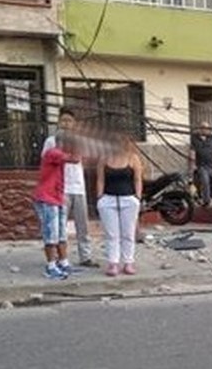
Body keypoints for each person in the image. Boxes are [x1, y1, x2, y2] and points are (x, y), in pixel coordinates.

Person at [41, 108, 99, 268]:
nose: (66, 124)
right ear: (59, 122)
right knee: (60, 226)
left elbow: (83, 161)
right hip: (60, 189)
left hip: (79, 188)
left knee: (83, 225)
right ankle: (61, 258)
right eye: (63, 120)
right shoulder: (51, 141)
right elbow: (46, 160)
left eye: (69, 121)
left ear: (74, 124)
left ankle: (85, 257)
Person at [33, 133, 80, 280]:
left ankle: (63, 262)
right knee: (51, 234)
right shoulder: (52, 153)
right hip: (47, 198)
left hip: (57, 198)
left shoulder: (58, 154)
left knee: (61, 234)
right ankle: (51, 266)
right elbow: (75, 159)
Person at [96, 134, 143, 277]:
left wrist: (138, 197)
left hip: (128, 199)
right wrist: (100, 197)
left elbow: (137, 179)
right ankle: (113, 262)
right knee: (111, 234)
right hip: (108, 200)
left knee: (128, 233)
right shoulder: (104, 159)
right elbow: (100, 180)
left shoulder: (133, 158)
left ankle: (128, 262)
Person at [189, 122, 212, 207]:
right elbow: (192, 151)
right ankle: (206, 200)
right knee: (205, 182)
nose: (205, 129)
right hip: (201, 164)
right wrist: (192, 164)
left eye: (207, 128)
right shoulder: (194, 138)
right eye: (203, 127)